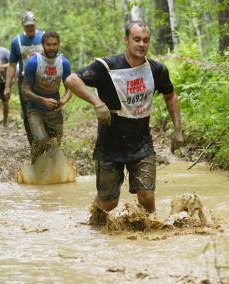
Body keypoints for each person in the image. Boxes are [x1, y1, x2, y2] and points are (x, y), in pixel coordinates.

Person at [65, 20, 184, 223]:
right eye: (136, 39)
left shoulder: (157, 70)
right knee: (108, 204)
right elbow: (71, 80)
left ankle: (151, 239)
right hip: (110, 144)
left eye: (146, 40)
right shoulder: (106, 67)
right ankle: (96, 216)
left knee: (147, 197)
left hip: (142, 142)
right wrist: (97, 103)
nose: (141, 44)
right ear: (126, 40)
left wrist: (178, 129)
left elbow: (170, 96)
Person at [21, 31, 72, 161]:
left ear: (58, 44)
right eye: (48, 44)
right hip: (35, 109)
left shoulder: (64, 63)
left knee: (55, 145)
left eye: (54, 44)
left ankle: (51, 172)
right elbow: (25, 89)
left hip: (54, 110)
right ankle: (35, 167)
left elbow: (70, 88)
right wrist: (43, 100)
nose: (52, 48)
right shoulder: (33, 62)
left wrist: (63, 101)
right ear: (42, 45)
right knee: (41, 139)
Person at [4, 11, 44, 143]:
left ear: (35, 24)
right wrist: (7, 87)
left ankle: (47, 140)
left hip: (43, 79)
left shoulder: (44, 37)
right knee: (27, 111)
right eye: (27, 26)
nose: (30, 28)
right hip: (25, 80)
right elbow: (12, 65)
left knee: (45, 109)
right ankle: (33, 143)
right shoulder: (17, 42)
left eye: (32, 25)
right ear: (23, 26)